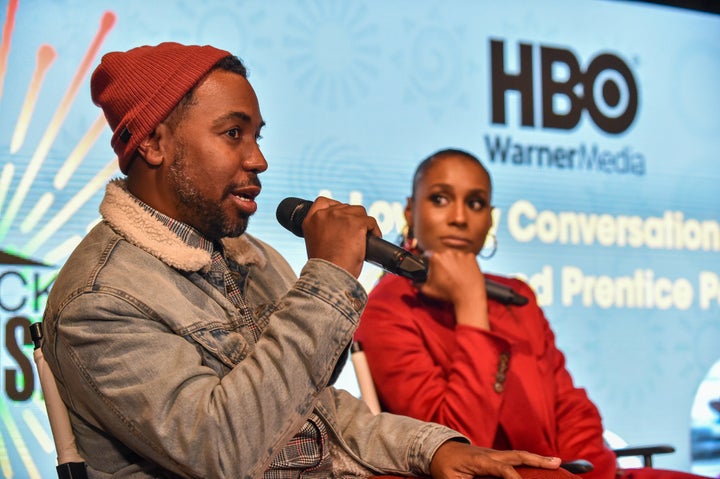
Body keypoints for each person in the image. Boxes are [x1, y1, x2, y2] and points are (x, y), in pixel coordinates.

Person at [39, 43, 569, 479]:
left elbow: (315, 415)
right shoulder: (99, 300)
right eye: (233, 134)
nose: (258, 159)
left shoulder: (252, 259)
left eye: (257, 136)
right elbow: (224, 450)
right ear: (154, 143)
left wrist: (431, 450)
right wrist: (331, 275)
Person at [354, 148, 704, 479]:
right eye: (440, 199)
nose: (459, 218)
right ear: (410, 212)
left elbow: (569, 406)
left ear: (489, 218)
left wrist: (589, 471)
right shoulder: (389, 305)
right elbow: (456, 445)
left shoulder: (515, 296)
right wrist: (471, 306)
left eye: (475, 203)